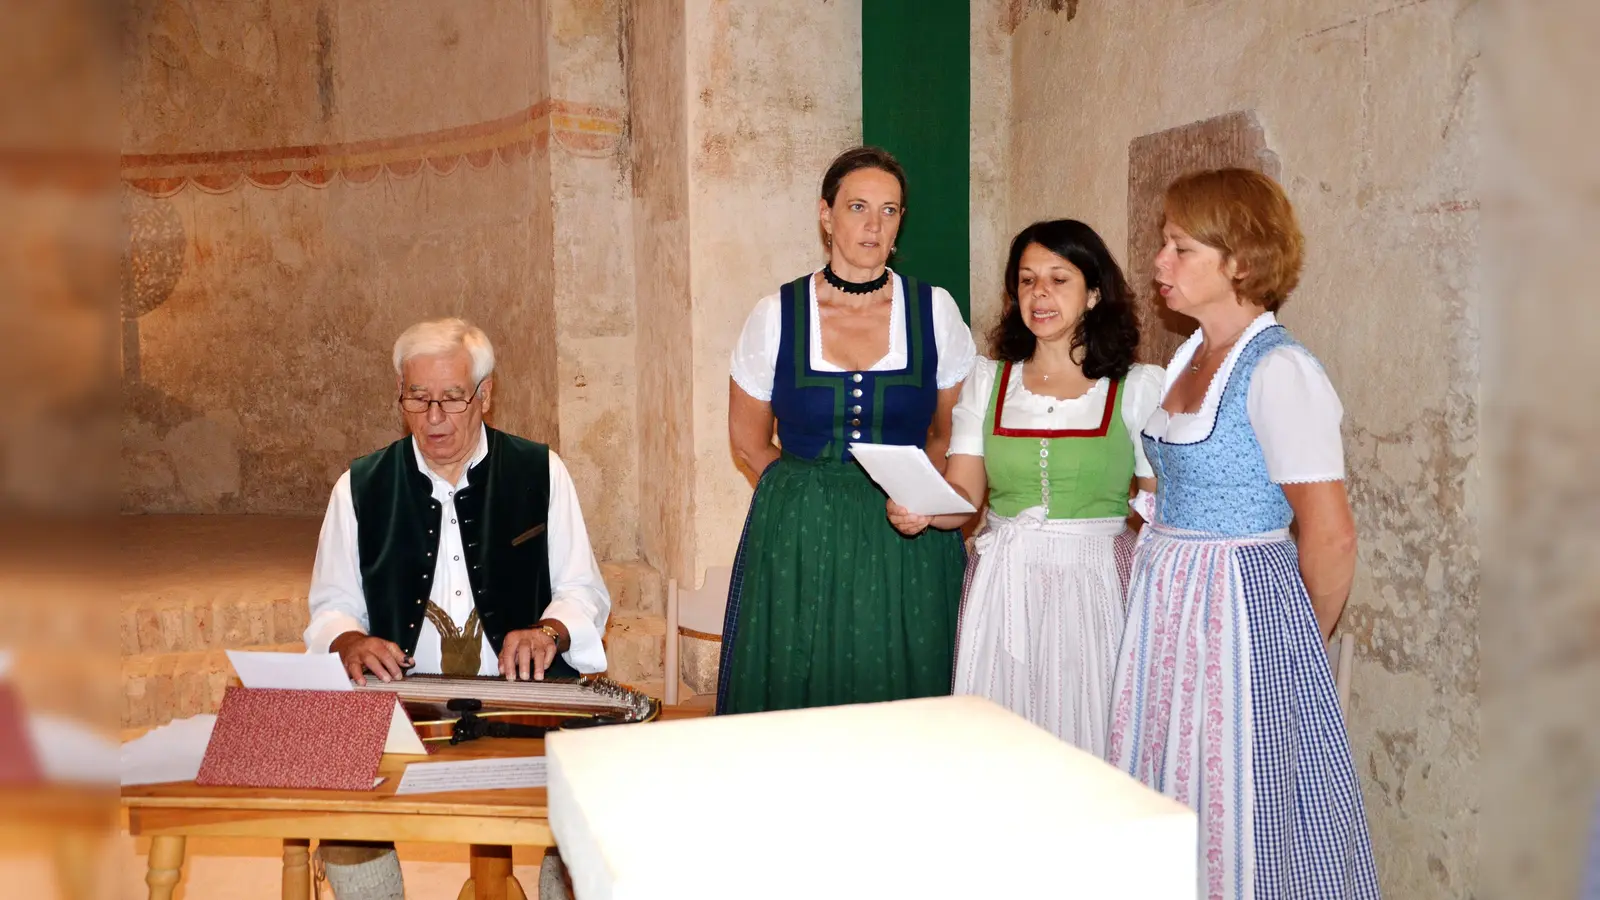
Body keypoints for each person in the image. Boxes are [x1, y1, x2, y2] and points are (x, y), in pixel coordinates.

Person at [1106, 168, 1380, 899]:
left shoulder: (1280, 370)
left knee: (1243, 797)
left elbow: (1331, 536)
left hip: (1237, 611)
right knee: (1172, 784)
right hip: (1170, 611)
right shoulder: (1189, 357)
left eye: (1181, 248)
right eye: (1164, 244)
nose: (1160, 262)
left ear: (1241, 261)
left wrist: (1294, 649)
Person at [303, 317, 609, 900]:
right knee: (343, 823)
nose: (434, 417)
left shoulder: (540, 472)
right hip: (403, 706)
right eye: (418, 398)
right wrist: (350, 641)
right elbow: (331, 605)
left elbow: (583, 590)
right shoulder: (360, 486)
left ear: (485, 395)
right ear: (400, 395)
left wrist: (549, 631)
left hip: (524, 700)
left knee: (582, 818)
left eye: (451, 398)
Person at [717, 145, 977, 715]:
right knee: (799, 687)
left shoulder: (934, 311)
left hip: (905, 536)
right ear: (826, 215)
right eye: (858, 207)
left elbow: (951, 433)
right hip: (800, 538)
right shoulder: (776, 314)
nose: (873, 225)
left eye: (889, 210)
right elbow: (749, 442)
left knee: (906, 692)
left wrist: (920, 500)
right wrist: (804, 499)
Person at [887, 219, 1161, 755]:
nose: (1040, 294)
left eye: (1059, 279)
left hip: (1095, 583)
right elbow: (964, 497)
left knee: (1089, 737)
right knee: (1000, 746)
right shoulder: (989, 382)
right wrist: (924, 511)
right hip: (1003, 582)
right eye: (1028, 280)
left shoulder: (1135, 387)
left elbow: (1160, 508)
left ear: (1094, 293)